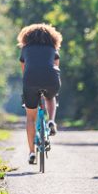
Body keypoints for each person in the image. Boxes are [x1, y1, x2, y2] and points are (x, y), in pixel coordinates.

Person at [18, 23, 62, 165]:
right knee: (51, 97)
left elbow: (24, 70)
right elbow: (56, 66)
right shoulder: (52, 48)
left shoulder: (25, 49)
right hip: (51, 79)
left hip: (30, 80)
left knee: (31, 118)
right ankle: (51, 121)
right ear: (52, 37)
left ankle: (31, 152)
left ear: (27, 36)